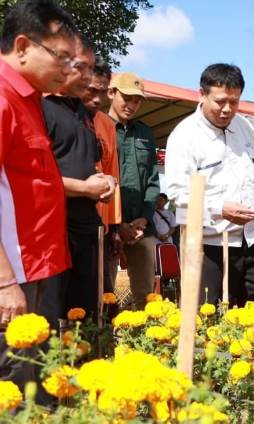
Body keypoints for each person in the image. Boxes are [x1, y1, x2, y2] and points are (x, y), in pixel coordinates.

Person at [0, 0, 75, 391]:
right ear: (24, 46)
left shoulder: (29, 101)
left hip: (37, 268)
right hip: (12, 275)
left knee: (34, 383)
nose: (68, 69)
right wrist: (4, 283)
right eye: (61, 57)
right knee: (12, 386)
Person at [165, 63, 254, 310]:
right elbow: (177, 192)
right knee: (207, 318)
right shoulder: (184, 136)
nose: (227, 109)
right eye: (220, 101)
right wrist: (219, 209)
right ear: (202, 94)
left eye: (235, 101)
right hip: (209, 244)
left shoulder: (245, 127)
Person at [41, 35, 116, 327]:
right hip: (55, 228)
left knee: (86, 311)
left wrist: (103, 182)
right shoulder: (41, 108)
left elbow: (84, 164)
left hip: (88, 227)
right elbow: (35, 179)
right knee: (52, 313)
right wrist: (84, 188)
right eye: (82, 70)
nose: (87, 80)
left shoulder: (84, 116)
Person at [108, 72, 160, 310]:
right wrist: (117, 224)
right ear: (111, 93)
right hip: (108, 226)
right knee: (104, 293)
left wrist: (143, 219)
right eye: (127, 97)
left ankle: (145, 341)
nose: (132, 105)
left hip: (141, 227)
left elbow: (152, 180)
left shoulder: (146, 133)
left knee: (145, 295)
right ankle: (105, 344)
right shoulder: (98, 126)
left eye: (137, 100)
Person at [82, 56, 122, 295]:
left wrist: (115, 228)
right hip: (66, 224)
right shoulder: (52, 111)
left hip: (101, 226)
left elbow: (113, 174)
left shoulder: (107, 125)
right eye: (90, 90)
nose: (97, 99)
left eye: (102, 92)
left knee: (101, 296)